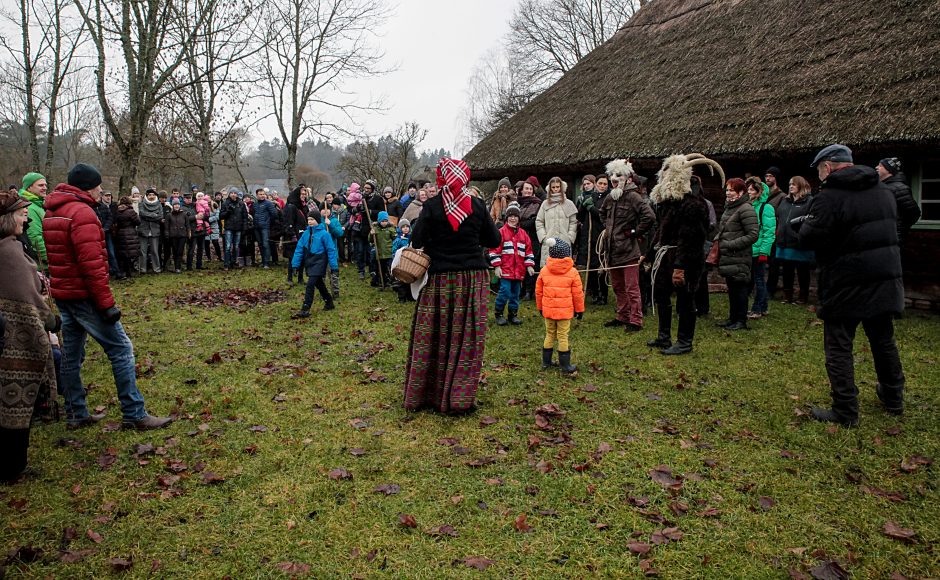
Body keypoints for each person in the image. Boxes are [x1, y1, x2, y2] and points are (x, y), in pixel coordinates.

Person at [42, 163, 171, 430]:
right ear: (88, 187)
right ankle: (134, 413)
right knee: (121, 349)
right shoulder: (82, 214)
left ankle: (76, 412)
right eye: (98, 185)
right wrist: (106, 304)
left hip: (64, 293)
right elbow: (92, 266)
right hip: (85, 295)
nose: (101, 190)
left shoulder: (52, 213)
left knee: (71, 355)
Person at [796, 144, 906, 426]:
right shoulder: (884, 192)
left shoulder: (830, 197)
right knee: (883, 340)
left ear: (829, 167)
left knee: (839, 345)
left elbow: (810, 237)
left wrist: (804, 225)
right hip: (883, 279)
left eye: (819, 170)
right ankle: (893, 396)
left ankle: (845, 410)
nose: (819, 176)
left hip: (846, 281)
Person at [404, 158, 501, 413]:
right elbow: (494, 239)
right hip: (472, 279)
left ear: (442, 179)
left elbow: (417, 239)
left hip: (439, 279)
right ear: (466, 179)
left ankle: (426, 395)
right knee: (466, 337)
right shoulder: (478, 206)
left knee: (434, 335)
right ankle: (459, 398)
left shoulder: (433, 206)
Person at [0, 191, 59, 481]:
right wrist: (50, 320)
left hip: (9, 336)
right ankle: (12, 468)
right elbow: (27, 298)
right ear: (8, 218)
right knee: (15, 403)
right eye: (22, 213)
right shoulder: (9, 253)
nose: (26, 216)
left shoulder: (10, 247)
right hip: (17, 341)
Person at [645, 154, 715, 355]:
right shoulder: (670, 204)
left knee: (685, 299)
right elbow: (662, 232)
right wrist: (649, 255)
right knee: (660, 293)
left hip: (686, 261)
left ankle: (684, 342)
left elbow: (690, 239)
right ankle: (664, 337)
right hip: (666, 258)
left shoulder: (694, 205)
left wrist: (680, 267)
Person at [599, 170, 656, 332]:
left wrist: (634, 232)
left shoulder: (633, 197)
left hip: (628, 251)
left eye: (618, 176)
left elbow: (649, 217)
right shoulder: (610, 197)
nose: (614, 179)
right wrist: (609, 229)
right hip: (612, 251)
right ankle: (622, 315)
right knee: (617, 286)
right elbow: (602, 214)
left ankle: (636, 320)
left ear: (627, 179)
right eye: (612, 176)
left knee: (632, 287)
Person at [714, 178, 759, 330]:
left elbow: (753, 234)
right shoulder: (730, 208)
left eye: (732, 190)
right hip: (728, 256)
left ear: (741, 192)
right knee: (732, 288)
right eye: (727, 189)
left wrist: (730, 245)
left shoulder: (746, 208)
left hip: (739, 257)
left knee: (740, 289)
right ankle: (732, 318)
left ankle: (740, 320)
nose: (728, 193)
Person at [536, 238, 585, 373]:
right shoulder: (573, 272)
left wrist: (540, 307)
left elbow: (538, 292)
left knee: (550, 334)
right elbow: (578, 294)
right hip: (564, 312)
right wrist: (579, 309)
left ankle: (546, 362)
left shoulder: (544, 270)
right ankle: (565, 365)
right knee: (563, 335)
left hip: (549, 311)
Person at [488, 201, 535, 326]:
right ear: (507, 217)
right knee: (505, 291)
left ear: (518, 218)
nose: (513, 218)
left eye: (515, 216)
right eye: (510, 216)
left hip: (518, 271)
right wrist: (497, 266)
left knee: (515, 294)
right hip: (505, 270)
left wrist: (529, 265)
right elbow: (494, 250)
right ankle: (499, 313)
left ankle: (513, 314)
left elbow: (528, 251)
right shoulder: (501, 232)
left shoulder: (523, 234)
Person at [775, 176, 814, 304]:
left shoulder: (809, 201)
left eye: (794, 184)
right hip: (783, 241)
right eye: (790, 184)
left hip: (799, 242)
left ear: (801, 186)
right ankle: (788, 296)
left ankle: (803, 297)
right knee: (787, 269)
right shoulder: (785, 200)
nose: (791, 186)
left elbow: (811, 220)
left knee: (802, 270)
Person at [290, 214, 337, 318]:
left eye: (312, 219)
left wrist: (334, 267)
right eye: (308, 219)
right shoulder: (305, 234)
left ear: (317, 220)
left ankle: (305, 308)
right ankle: (329, 302)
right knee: (319, 283)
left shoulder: (324, 234)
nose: (310, 221)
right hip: (309, 261)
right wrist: (295, 265)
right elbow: (299, 249)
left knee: (310, 284)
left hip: (320, 261)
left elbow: (331, 250)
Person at [745, 177, 776, 319]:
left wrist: (764, 251)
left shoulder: (766, 208)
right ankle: (763, 307)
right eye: (748, 189)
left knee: (758, 280)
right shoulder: (749, 206)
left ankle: (757, 308)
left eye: (752, 189)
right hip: (750, 249)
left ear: (759, 192)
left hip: (759, 250)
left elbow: (769, 232)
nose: (749, 192)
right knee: (754, 279)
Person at [876, 157, 921, 244]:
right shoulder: (881, 186)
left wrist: (899, 228)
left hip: (893, 238)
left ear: (889, 170)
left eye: (880, 166)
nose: (877, 167)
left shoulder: (900, 189)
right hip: (882, 237)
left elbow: (914, 213)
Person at [536, 177, 578, 268]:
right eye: (553, 187)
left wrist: (570, 237)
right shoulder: (545, 204)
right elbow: (539, 221)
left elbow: (573, 222)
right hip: (549, 241)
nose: (555, 189)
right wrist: (543, 237)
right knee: (548, 270)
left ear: (561, 187)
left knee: (564, 269)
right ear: (550, 188)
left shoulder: (569, 204)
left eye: (557, 187)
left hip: (564, 241)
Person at [763, 166, 787, 296]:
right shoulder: (763, 194)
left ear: (776, 178)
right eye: (766, 176)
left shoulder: (782, 196)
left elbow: (781, 215)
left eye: (770, 176)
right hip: (762, 233)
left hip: (773, 233)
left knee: (773, 263)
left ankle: (770, 289)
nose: (767, 178)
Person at [517, 180, 542, 299]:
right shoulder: (516, 203)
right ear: (521, 190)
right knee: (520, 263)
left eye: (530, 189)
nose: (528, 191)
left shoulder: (537, 204)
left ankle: (529, 290)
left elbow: (533, 222)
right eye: (526, 189)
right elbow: (510, 219)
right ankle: (520, 289)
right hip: (518, 238)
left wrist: (520, 223)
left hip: (532, 237)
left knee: (531, 263)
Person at [18, 172, 48, 266]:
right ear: (29, 188)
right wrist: (52, 259)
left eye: (45, 185)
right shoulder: (30, 208)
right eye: (40, 185)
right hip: (42, 266)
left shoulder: (39, 205)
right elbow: (35, 239)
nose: (45, 188)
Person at [283, 187, 308, 284]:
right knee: (292, 258)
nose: (304, 196)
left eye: (305, 194)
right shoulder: (291, 207)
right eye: (302, 194)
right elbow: (289, 222)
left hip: (303, 235)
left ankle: (300, 278)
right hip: (293, 236)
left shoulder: (304, 206)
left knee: (302, 257)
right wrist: (292, 235)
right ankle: (290, 278)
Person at [113, 196, 141, 278]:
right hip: (130, 233)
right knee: (129, 254)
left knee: (122, 254)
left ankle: (121, 272)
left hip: (120, 233)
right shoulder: (131, 211)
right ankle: (129, 272)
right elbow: (138, 222)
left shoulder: (117, 211)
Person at [320, 204, 344, 299]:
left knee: (333, 273)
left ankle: (335, 292)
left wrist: (330, 225)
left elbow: (339, 233)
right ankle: (323, 292)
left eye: (327, 209)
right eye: (322, 209)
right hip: (321, 252)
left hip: (332, 252)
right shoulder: (317, 222)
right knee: (321, 274)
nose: (325, 211)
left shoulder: (334, 220)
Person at [137, 189, 163, 274]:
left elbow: (160, 216)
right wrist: (153, 215)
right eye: (150, 195)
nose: (151, 196)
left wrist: (148, 216)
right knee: (142, 251)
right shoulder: (141, 203)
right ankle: (142, 269)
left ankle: (157, 269)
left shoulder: (159, 204)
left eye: (153, 195)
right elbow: (141, 213)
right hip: (143, 230)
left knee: (155, 251)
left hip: (155, 230)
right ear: (147, 196)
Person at [220, 189, 248, 270]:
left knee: (236, 246)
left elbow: (245, 216)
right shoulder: (225, 203)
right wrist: (227, 212)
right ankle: (226, 263)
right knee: (228, 246)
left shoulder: (241, 204)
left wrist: (245, 227)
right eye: (231, 193)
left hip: (238, 227)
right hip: (229, 227)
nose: (233, 194)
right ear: (229, 194)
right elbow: (221, 216)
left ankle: (233, 262)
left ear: (237, 194)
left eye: (235, 193)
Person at [252, 189, 278, 268]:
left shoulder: (268, 203)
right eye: (260, 194)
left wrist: (268, 221)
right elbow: (253, 213)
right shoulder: (255, 204)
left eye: (263, 194)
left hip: (265, 227)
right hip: (256, 227)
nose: (262, 195)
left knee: (265, 244)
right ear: (257, 195)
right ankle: (263, 261)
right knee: (260, 244)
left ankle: (266, 263)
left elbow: (274, 214)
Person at [166, 198, 194, 273]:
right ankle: (176, 267)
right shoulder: (169, 215)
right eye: (175, 204)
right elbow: (167, 227)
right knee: (175, 251)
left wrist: (189, 233)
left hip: (182, 235)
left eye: (178, 204)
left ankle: (178, 267)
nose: (177, 206)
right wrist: (167, 235)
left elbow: (187, 225)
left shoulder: (184, 215)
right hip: (173, 236)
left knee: (180, 251)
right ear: (173, 205)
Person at [371, 211, 396, 289]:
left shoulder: (391, 229)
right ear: (379, 221)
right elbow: (371, 240)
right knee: (380, 268)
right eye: (382, 221)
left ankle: (388, 281)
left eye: (385, 221)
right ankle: (379, 281)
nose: (384, 223)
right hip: (379, 253)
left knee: (387, 268)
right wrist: (371, 234)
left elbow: (395, 239)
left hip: (388, 252)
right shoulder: (375, 229)